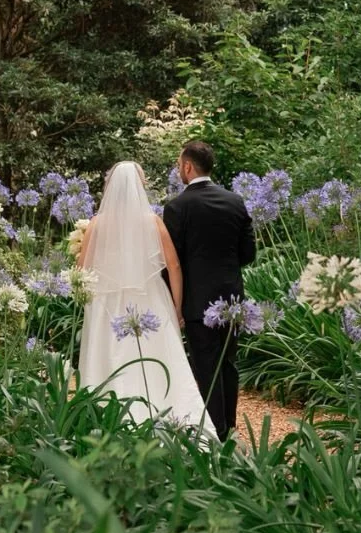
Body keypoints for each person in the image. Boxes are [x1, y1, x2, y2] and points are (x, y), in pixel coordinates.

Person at [77, 161, 215, 437]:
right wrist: (176, 308)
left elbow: (81, 270)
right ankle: (169, 421)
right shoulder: (152, 221)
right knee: (157, 358)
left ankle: (106, 423)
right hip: (151, 300)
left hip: (107, 304)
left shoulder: (96, 224)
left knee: (109, 357)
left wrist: (86, 301)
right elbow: (173, 266)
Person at [162, 140, 255, 441]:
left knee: (206, 367)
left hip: (197, 301)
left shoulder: (176, 207)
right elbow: (248, 254)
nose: (179, 170)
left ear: (188, 167)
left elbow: (171, 262)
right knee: (228, 363)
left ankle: (217, 433)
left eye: (179, 165)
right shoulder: (235, 201)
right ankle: (230, 425)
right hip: (232, 299)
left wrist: (173, 301)